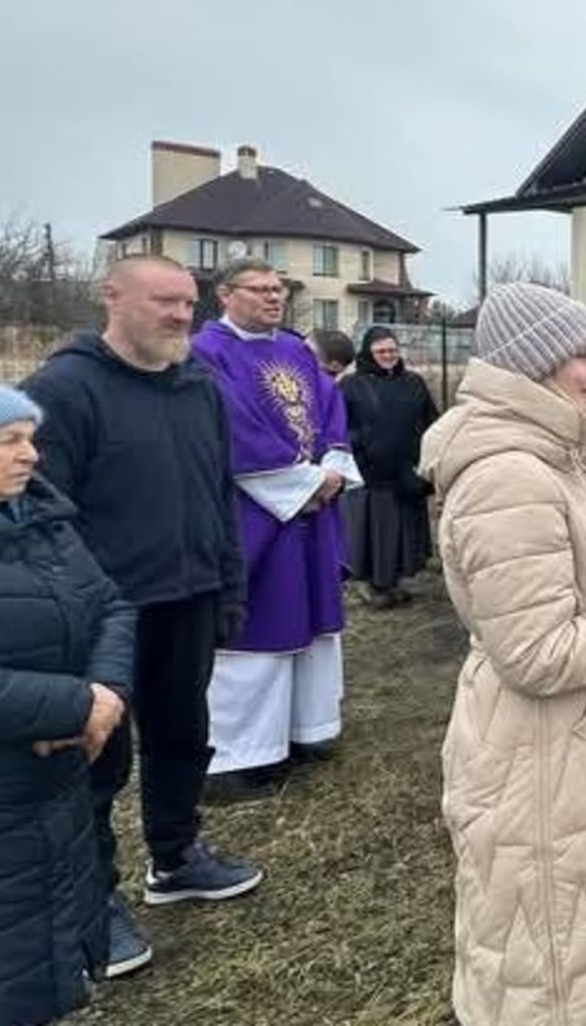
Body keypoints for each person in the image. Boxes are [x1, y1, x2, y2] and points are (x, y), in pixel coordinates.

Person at [419, 282, 586, 1026]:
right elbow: (540, 652)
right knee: (554, 971)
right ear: (533, 363)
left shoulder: (549, 459)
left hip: (573, 751)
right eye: (583, 353)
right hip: (537, 766)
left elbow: (574, 592)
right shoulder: (508, 476)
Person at [21, 255, 261, 980]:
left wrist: (227, 584)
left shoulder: (200, 387)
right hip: (105, 616)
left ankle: (177, 855)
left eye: (188, 303)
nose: (180, 316)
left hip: (187, 598)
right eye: (164, 301)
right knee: (94, 766)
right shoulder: (62, 391)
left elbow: (220, 493)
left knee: (184, 736)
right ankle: (92, 903)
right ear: (114, 297)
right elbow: (39, 519)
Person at [0, 385, 134, 1025]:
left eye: (31, 438)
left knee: (39, 945)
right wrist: (70, 705)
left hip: (53, 784)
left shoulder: (41, 519)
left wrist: (101, 699)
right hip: (6, 787)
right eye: (9, 441)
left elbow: (110, 604)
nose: (31, 456)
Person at [190, 259, 361, 784]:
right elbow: (229, 426)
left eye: (279, 289)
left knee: (309, 618)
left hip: (310, 508)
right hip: (255, 511)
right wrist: (302, 484)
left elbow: (330, 407)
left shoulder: (294, 349)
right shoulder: (206, 353)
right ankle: (243, 755)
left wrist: (331, 467)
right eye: (260, 289)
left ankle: (307, 728)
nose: (273, 298)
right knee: (259, 622)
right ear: (225, 294)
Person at [341, 326, 438, 608]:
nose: (388, 356)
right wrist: (364, 447)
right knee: (375, 532)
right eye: (381, 351)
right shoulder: (352, 385)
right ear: (369, 353)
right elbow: (340, 425)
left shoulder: (414, 382)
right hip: (371, 472)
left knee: (403, 531)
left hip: (407, 470)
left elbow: (430, 421)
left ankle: (394, 580)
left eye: (393, 351)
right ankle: (374, 586)